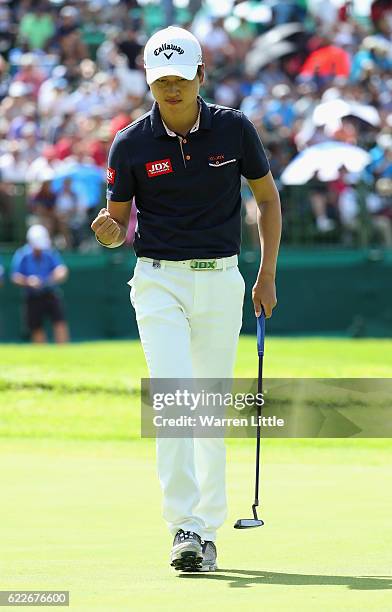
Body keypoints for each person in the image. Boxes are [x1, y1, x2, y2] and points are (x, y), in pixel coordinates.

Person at [91, 26, 281, 572]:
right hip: (157, 282)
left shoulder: (234, 130)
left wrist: (266, 274)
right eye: (160, 81)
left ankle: (207, 526)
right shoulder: (130, 143)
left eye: (179, 79)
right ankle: (184, 528)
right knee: (175, 401)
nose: (169, 90)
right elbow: (117, 224)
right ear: (149, 82)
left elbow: (267, 200)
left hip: (222, 279)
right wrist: (106, 231)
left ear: (200, 75)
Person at [11, 224, 70, 343]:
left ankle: (64, 352)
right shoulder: (22, 254)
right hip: (32, 297)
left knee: (59, 322)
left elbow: (62, 270)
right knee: (36, 327)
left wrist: (53, 277)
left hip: (51, 294)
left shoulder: (50, 253)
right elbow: (15, 276)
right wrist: (29, 281)